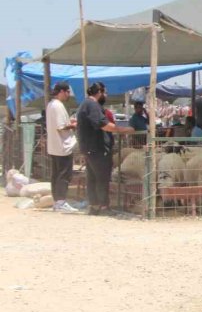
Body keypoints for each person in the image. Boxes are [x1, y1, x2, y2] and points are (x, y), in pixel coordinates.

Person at [75, 82, 135, 216]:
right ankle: (103, 207)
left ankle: (94, 206)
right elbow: (104, 125)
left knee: (93, 178)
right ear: (99, 92)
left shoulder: (85, 105)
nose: (106, 96)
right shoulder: (92, 105)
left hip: (89, 148)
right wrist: (124, 129)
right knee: (102, 178)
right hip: (97, 148)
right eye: (105, 93)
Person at [45, 82, 79, 213]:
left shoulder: (50, 105)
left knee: (56, 175)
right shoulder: (58, 106)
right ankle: (61, 202)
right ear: (62, 91)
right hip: (62, 146)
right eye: (68, 92)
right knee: (64, 175)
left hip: (54, 146)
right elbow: (61, 127)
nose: (68, 95)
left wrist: (69, 123)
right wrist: (74, 125)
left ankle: (57, 201)